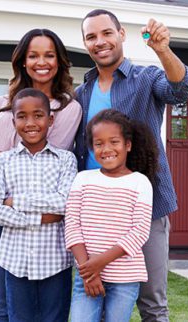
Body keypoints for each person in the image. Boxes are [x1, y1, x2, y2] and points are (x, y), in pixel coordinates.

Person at [74, 9, 188, 321]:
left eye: (106, 33)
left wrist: (163, 49)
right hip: (94, 214)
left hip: (144, 210)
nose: (100, 42)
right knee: (95, 302)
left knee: (152, 305)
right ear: (86, 43)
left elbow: (182, 91)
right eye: (91, 37)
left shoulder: (146, 79)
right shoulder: (81, 93)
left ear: (121, 35)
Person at [0, 28, 82, 322]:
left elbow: (44, 156)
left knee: (33, 307)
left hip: (29, 208)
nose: (41, 62)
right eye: (33, 55)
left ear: (59, 62)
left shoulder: (67, 108)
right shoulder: (2, 102)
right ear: (23, 61)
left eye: (49, 55)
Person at [0, 88, 76, 321]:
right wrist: (41, 217)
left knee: (55, 318)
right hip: (15, 261)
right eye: (22, 116)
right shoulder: (2, 161)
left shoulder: (66, 159)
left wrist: (16, 201)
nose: (30, 122)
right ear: (13, 121)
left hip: (55, 261)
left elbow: (64, 203)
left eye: (38, 115)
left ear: (50, 119)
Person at [66, 109, 157, 321]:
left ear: (128, 145)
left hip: (125, 278)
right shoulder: (82, 179)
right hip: (86, 275)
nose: (106, 149)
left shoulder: (140, 182)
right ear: (91, 148)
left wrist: (99, 264)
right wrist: (88, 270)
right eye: (99, 144)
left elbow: (140, 232)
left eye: (114, 142)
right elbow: (72, 225)